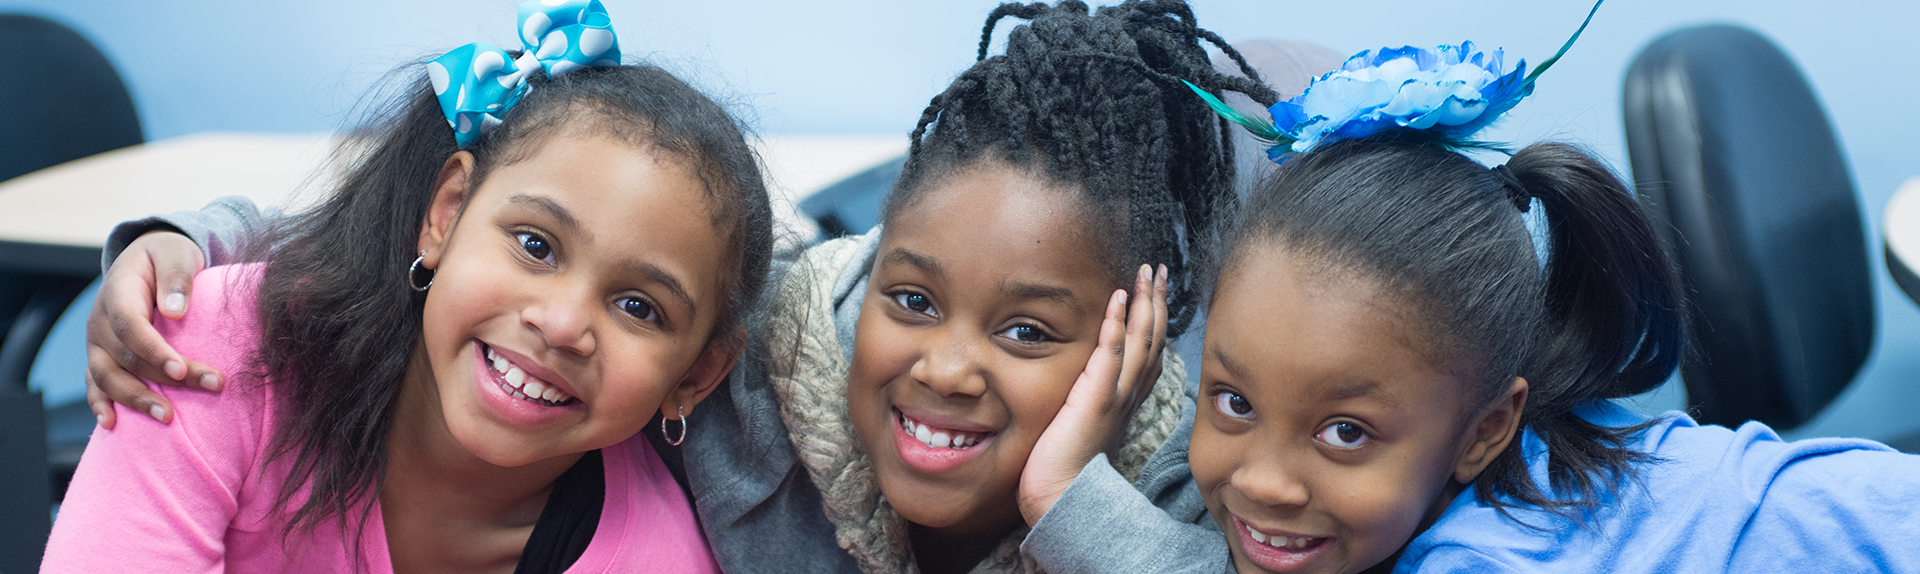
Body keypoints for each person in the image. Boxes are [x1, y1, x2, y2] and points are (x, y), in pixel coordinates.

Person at [79, 1, 1282, 572]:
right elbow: (425, 240)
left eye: (1026, 331)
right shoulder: (767, 379)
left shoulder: (1181, 482)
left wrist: (1068, 498)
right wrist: (188, 241)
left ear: (1133, 345)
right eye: (912, 300)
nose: (949, 365)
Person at [1023, 6, 1920, 573]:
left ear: (1488, 429)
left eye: (1345, 433)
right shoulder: (1506, 417)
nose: (1263, 480)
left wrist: (1064, 496)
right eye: (1234, 400)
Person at [43, 2, 772, 572]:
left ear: (696, 376)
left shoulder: (661, 558)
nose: (560, 324)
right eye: (535, 246)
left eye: (638, 307)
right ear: (445, 215)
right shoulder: (216, 349)